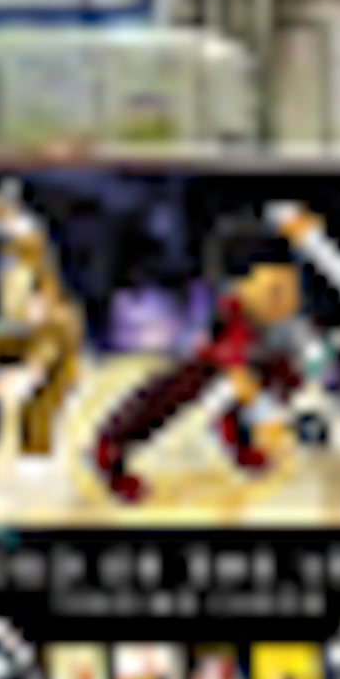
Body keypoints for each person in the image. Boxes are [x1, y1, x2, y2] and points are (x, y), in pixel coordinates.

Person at [92, 210, 326, 506]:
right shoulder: (233, 321)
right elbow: (238, 376)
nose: (288, 300)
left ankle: (237, 432)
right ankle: (110, 449)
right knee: (184, 388)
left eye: (291, 291)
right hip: (214, 341)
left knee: (280, 374)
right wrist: (265, 416)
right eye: (276, 291)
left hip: (258, 337)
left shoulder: (286, 308)